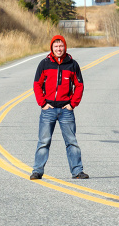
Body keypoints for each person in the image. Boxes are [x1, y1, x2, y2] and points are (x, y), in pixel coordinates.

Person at [29, 35, 88, 180]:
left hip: (66, 110)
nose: (59, 49)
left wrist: (72, 104)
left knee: (71, 141)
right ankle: (37, 171)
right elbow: (37, 84)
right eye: (56, 46)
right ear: (52, 48)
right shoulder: (44, 64)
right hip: (48, 109)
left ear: (65, 47)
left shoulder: (72, 64)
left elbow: (79, 85)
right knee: (44, 141)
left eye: (61, 46)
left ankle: (77, 171)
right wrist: (42, 103)